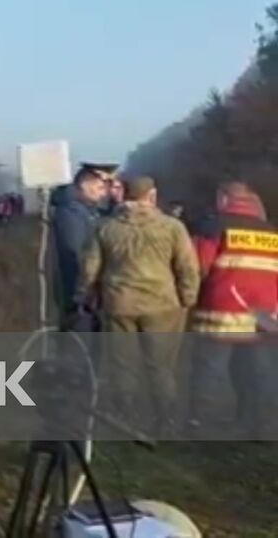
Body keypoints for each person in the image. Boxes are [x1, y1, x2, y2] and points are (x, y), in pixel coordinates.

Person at [82, 175, 200, 433]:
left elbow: (90, 269)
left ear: (124, 194)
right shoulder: (172, 227)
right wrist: (187, 299)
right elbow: (188, 268)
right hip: (162, 305)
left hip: (119, 302)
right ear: (153, 195)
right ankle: (164, 419)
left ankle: (126, 416)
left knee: (122, 363)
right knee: (161, 365)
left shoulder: (106, 226)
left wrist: (89, 296)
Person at [186, 182, 278, 437]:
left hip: (221, 311)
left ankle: (200, 425)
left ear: (224, 198)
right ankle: (259, 424)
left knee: (210, 369)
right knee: (258, 371)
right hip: (262, 315)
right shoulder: (270, 230)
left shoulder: (214, 226)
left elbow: (198, 266)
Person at [49, 167, 109, 328]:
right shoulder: (71, 212)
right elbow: (73, 253)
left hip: (84, 292)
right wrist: (81, 293)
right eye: (100, 188)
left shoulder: (87, 209)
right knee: (79, 340)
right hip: (76, 294)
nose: (103, 193)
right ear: (84, 184)